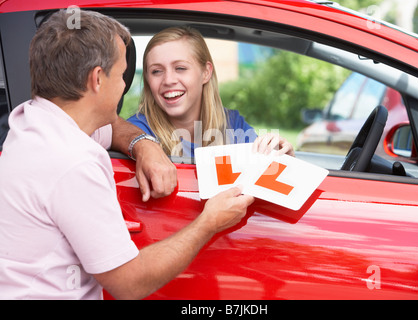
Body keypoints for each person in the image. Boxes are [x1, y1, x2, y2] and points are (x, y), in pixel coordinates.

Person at [0, 9, 254, 300]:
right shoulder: (72, 161)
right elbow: (129, 284)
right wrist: (209, 223)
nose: (124, 86)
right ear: (98, 79)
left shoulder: (37, 121)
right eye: (122, 75)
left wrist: (143, 145)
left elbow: (115, 128)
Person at [128, 26, 294, 158]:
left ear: (206, 72)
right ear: (148, 80)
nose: (169, 80)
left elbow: (264, 174)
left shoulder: (232, 124)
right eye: (156, 71)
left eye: (180, 68)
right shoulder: (138, 131)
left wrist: (282, 157)